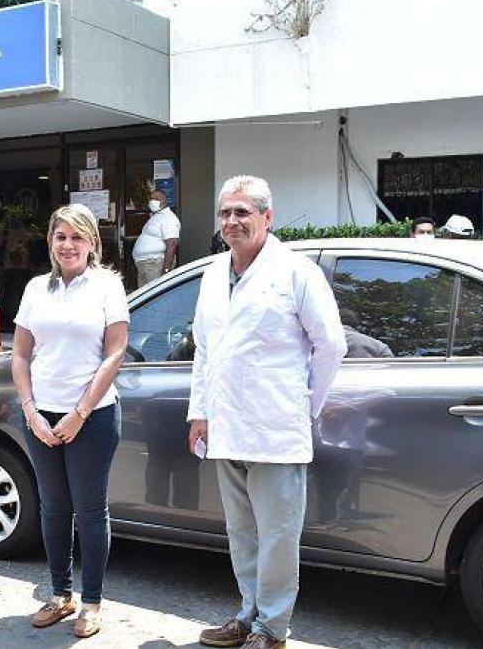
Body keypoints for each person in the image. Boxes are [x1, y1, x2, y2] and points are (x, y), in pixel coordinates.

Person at [188, 176, 346, 649]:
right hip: (225, 424)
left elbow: (330, 345)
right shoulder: (213, 272)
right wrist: (200, 411)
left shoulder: (297, 272)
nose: (232, 222)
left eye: (243, 213)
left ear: (267, 217)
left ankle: (272, 630)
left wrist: (306, 403)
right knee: (241, 531)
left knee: (277, 537)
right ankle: (247, 614)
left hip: (277, 427)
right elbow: (203, 349)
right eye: (225, 213)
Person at [12, 204, 129, 639]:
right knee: (54, 508)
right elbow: (21, 354)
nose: (68, 245)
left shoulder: (107, 286)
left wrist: (80, 413)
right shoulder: (35, 289)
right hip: (40, 416)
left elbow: (115, 352)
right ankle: (61, 596)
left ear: (92, 243)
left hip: (93, 416)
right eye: (60, 236)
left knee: (90, 509)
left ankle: (92, 603)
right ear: (50, 241)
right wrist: (29, 410)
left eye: (77, 237)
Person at [132, 188, 181, 287]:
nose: (152, 201)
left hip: (155, 265)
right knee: (144, 299)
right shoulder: (156, 217)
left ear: (165, 201)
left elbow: (172, 244)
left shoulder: (168, 218)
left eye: (156, 198)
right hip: (145, 265)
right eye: (151, 198)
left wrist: (166, 270)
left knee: (154, 298)